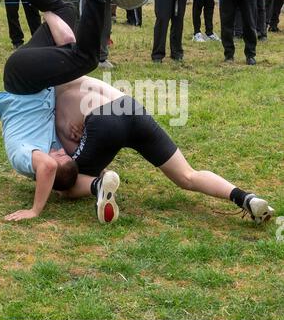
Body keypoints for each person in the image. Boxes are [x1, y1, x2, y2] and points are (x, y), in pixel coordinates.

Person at [0, 0, 138, 222]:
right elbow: (80, 160)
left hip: (23, 80)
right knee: (65, 10)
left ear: (50, 170)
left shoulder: (25, 159)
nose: (60, 151)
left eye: (59, 158)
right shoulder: (54, 148)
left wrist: (35, 210)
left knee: (87, 59)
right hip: (33, 76)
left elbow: (46, 168)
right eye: (66, 155)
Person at [54, 75, 274, 226]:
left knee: (66, 184)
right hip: (130, 107)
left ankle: (99, 185)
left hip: (102, 121)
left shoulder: (48, 97)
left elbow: (71, 157)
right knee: (187, 176)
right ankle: (245, 198)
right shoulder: (76, 69)